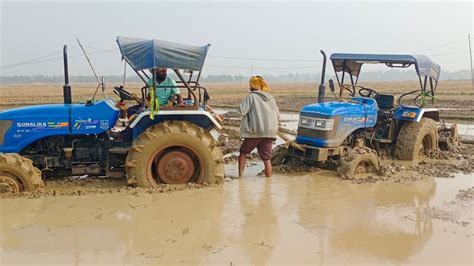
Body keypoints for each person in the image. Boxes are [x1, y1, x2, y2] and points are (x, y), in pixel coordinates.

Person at [238, 76, 279, 178]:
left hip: (255, 132)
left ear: (251, 86)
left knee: (243, 153)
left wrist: (224, 115)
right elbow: (277, 115)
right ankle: (268, 183)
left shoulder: (251, 97)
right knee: (266, 159)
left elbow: (242, 111)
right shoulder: (271, 98)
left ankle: (240, 177)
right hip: (269, 133)